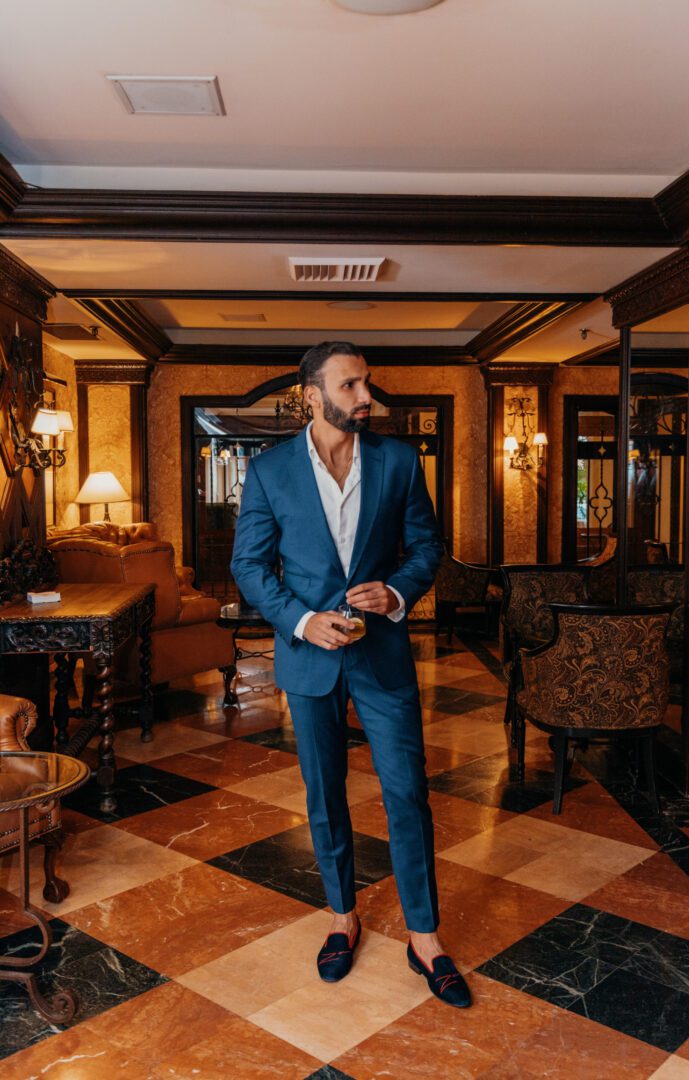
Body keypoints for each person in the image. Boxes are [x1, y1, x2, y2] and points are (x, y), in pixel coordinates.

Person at [231, 341, 471, 1008]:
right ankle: (343, 916)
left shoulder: (398, 461)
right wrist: (304, 621)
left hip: (382, 656)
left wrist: (395, 593)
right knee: (323, 790)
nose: (367, 397)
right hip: (309, 658)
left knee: (407, 792)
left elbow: (426, 547)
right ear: (313, 395)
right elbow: (249, 568)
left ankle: (425, 936)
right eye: (352, 386)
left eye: (367, 385)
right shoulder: (269, 470)